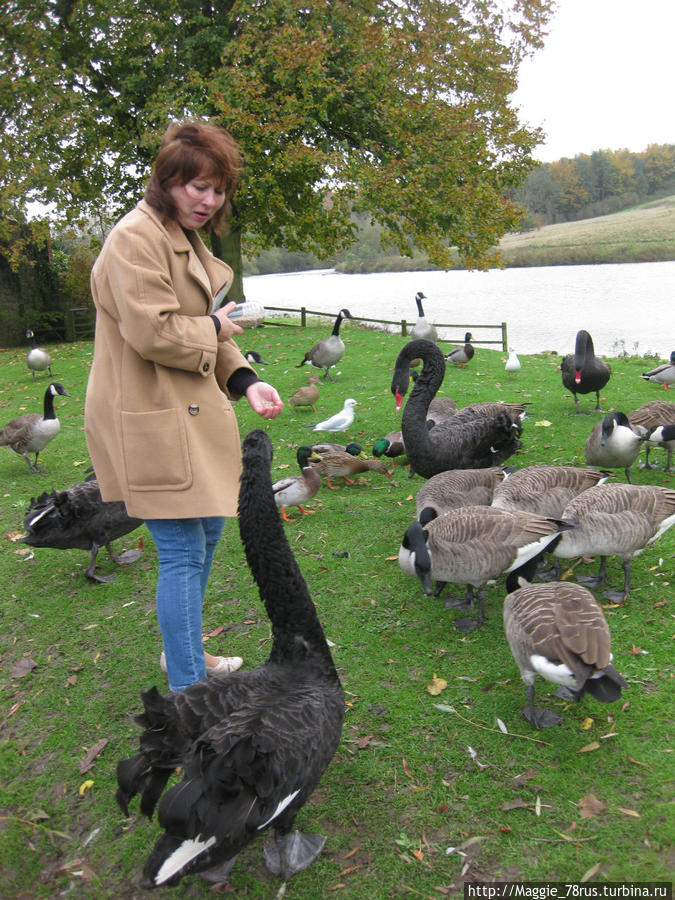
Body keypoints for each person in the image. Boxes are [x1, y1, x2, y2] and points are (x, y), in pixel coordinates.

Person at [84, 120, 283, 692]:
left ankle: (183, 653)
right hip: (148, 416)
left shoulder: (184, 237)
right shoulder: (133, 238)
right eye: (197, 186)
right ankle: (189, 694)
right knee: (180, 554)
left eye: (217, 189)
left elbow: (209, 330)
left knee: (208, 535)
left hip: (186, 413)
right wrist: (220, 324)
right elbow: (156, 333)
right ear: (167, 180)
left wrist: (244, 378)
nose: (208, 199)